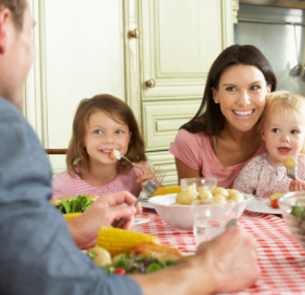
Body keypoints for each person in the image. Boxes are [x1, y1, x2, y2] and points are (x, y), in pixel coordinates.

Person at [0, 1, 259, 294]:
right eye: (31, 33)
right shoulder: (7, 131)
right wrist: (207, 271)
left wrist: (70, 231)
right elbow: (68, 287)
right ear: (3, 26)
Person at [169, 44, 276, 188]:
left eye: (254, 87)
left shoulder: (286, 131)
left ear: (268, 91)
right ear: (216, 94)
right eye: (231, 89)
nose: (243, 101)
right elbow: (190, 205)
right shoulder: (191, 141)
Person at [51, 94, 154, 199]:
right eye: (98, 132)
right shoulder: (64, 184)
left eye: (118, 131)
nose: (110, 140)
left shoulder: (137, 174)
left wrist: (156, 190)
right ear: (82, 139)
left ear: (129, 138)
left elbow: (166, 205)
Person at [233, 91, 305, 198]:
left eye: (294, 132)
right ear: (263, 133)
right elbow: (238, 199)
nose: (285, 138)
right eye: (276, 130)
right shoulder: (254, 168)